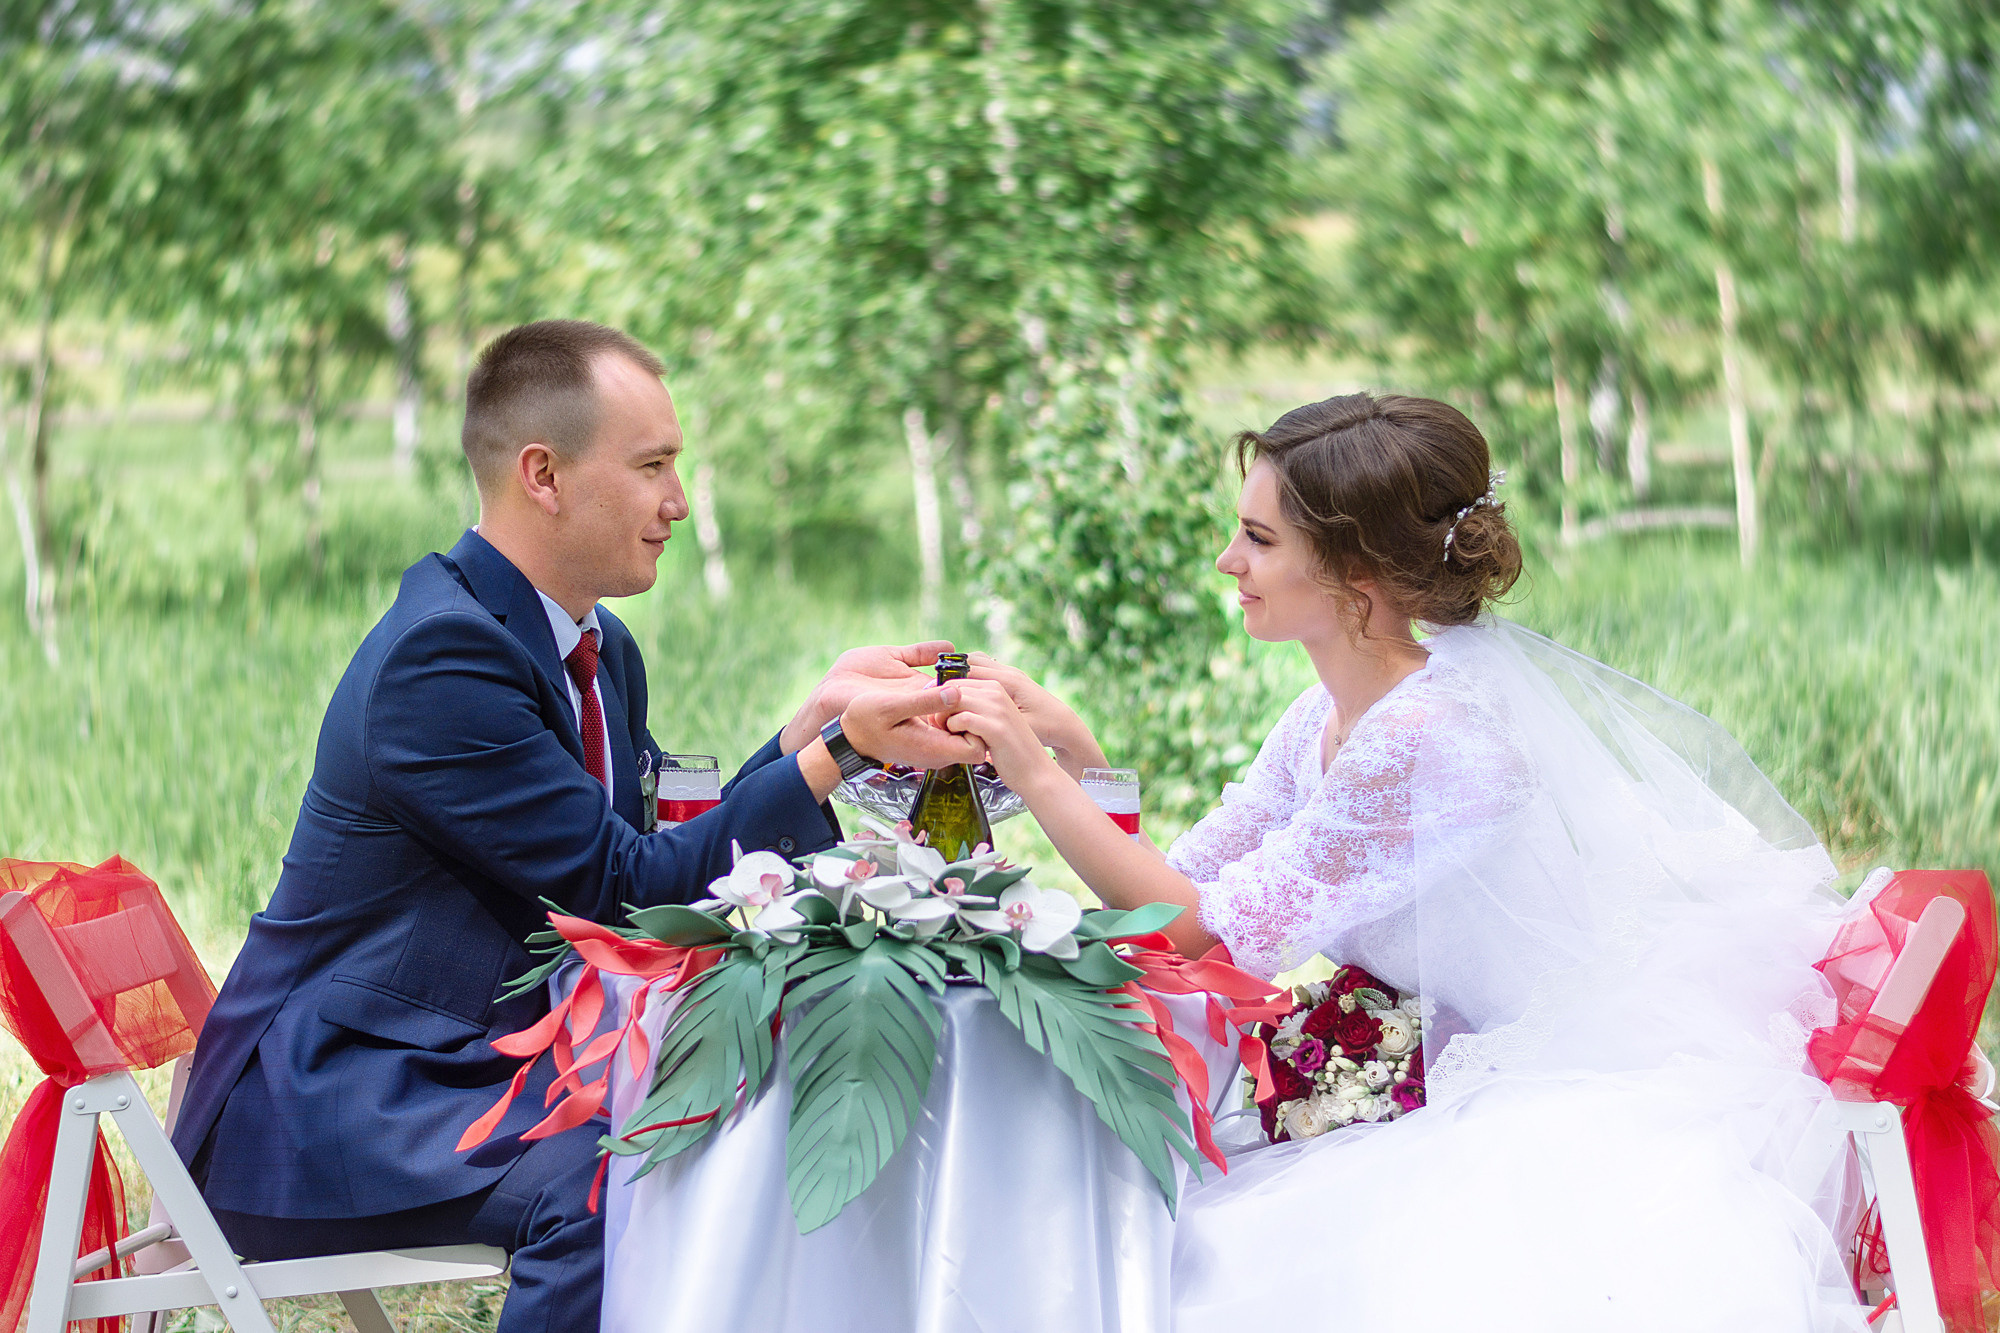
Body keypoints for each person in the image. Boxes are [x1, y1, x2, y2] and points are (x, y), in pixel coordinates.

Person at [945, 392, 1866, 1331]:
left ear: (1355, 573)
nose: (1228, 560)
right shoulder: (1324, 715)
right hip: (1420, 1064)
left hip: (1539, 1090)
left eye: (1258, 539)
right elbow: (1184, 883)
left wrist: (1029, 770)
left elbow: (1193, 931)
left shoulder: (1428, 733)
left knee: (1215, 1267)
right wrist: (1079, 755)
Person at [171, 320, 980, 1333]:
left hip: (458, 1060)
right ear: (542, 475)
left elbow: (657, 856)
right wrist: (837, 756)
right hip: (334, 1101)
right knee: (604, 1179)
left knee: (723, 1114)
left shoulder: (596, 645)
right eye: (651, 466)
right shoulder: (443, 661)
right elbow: (628, 891)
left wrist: (806, 729)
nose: (678, 502)